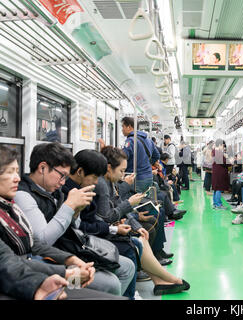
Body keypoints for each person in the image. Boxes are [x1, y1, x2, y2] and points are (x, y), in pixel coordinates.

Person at [14, 143, 127, 296]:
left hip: (64, 254)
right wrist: (69, 206)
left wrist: (75, 212)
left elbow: (73, 227)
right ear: (42, 168)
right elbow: (43, 240)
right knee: (111, 282)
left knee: (126, 265)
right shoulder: (23, 196)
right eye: (61, 176)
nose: (63, 182)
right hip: (46, 265)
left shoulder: (54, 191)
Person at [97, 146, 190, 296]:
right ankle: (167, 279)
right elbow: (108, 216)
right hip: (105, 230)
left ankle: (159, 281)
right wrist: (130, 205)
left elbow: (116, 206)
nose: (123, 175)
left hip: (114, 223)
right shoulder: (102, 184)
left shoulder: (110, 182)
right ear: (109, 168)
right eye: (121, 171)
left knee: (143, 233)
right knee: (138, 241)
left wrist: (136, 224)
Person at [121, 116, 160, 193]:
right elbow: (157, 155)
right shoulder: (148, 140)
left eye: (123, 127)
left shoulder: (130, 141)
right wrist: (146, 164)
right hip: (148, 177)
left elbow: (123, 158)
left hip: (136, 178)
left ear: (129, 127)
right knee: (143, 200)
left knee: (131, 201)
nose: (122, 129)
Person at [211, 139, 231, 210]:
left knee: (216, 189)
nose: (224, 147)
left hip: (216, 173)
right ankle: (218, 204)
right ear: (220, 145)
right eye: (223, 146)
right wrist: (230, 161)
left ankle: (215, 204)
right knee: (218, 189)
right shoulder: (218, 152)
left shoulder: (214, 152)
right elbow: (225, 162)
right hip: (219, 173)